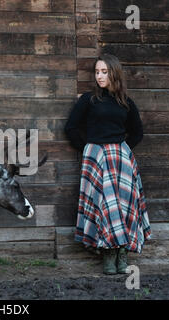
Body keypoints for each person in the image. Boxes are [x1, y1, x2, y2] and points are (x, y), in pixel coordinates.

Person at [64, 53, 152, 275]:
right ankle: (107, 254)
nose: (100, 76)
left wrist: (122, 151)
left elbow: (137, 132)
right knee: (103, 204)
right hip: (96, 159)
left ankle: (122, 254)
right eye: (97, 72)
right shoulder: (88, 100)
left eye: (104, 72)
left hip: (121, 160)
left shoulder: (126, 102)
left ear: (114, 73)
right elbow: (71, 128)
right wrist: (89, 150)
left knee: (123, 206)